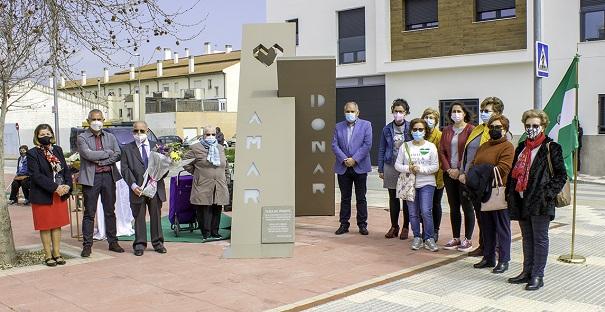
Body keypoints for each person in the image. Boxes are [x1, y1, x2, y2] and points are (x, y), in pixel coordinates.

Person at [506, 109, 567, 291]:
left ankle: (538, 275)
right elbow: (513, 173)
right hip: (522, 199)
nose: (531, 129)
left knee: (540, 239)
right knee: (527, 238)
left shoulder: (551, 147)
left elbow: (561, 175)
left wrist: (546, 194)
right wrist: (510, 194)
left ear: (543, 127)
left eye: (535, 126)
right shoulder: (522, 147)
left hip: (540, 202)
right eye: (528, 126)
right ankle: (527, 271)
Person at [459, 115, 514, 274]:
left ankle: (504, 260)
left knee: (502, 227)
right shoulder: (483, 146)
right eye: (492, 127)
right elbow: (475, 164)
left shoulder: (507, 147)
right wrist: (477, 172)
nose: (494, 130)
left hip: (498, 191)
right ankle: (489, 257)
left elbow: (503, 168)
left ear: (505, 130)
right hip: (482, 192)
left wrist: (480, 170)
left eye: (499, 127)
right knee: (487, 226)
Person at [460, 97, 505, 257]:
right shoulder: (478, 129)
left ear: (497, 113)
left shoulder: (498, 132)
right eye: (482, 111)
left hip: (487, 182)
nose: (483, 114)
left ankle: (495, 248)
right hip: (472, 179)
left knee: (492, 217)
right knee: (480, 216)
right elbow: (469, 153)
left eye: (487, 111)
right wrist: (463, 172)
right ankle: (483, 245)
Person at [77, 109, 124, 257]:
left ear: (103, 120)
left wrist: (101, 159)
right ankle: (87, 245)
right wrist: (106, 153)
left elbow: (117, 154)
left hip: (108, 177)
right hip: (91, 179)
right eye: (93, 119)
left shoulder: (110, 136)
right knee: (89, 212)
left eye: (99, 119)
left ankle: (113, 242)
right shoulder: (82, 137)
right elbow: (87, 154)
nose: (96, 122)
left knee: (110, 211)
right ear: (88, 120)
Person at [27, 125, 72, 266]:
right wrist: (55, 187)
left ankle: (57, 253)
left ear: (52, 134)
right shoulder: (32, 153)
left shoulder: (57, 150)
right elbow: (36, 176)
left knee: (56, 225)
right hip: (43, 193)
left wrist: (67, 185)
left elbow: (65, 170)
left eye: (48, 133)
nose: (45, 135)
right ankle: (48, 255)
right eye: (42, 134)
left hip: (60, 193)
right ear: (37, 136)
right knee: (45, 225)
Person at [121, 121, 167, 256]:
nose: (139, 134)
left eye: (142, 131)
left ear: (147, 131)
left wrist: (161, 174)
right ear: (132, 132)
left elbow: (165, 168)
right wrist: (133, 185)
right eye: (136, 131)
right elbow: (125, 169)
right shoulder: (127, 149)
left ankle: (158, 243)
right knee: (139, 217)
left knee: (156, 217)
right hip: (138, 189)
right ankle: (140, 244)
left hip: (154, 188)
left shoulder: (158, 147)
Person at [395, 118, 439, 251]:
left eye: (421, 129)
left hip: (427, 183)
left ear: (425, 131)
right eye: (415, 129)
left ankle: (429, 238)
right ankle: (417, 237)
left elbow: (435, 166)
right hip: (410, 185)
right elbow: (397, 165)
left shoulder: (431, 146)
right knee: (413, 213)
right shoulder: (405, 146)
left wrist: (421, 169)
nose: (418, 132)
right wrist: (409, 168)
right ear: (411, 131)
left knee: (426, 211)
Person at [439, 101, 475, 252]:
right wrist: (448, 169)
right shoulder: (446, 130)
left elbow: (471, 152)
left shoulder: (471, 130)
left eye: (459, 111)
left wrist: (459, 170)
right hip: (449, 174)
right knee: (454, 207)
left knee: (467, 206)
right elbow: (442, 151)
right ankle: (456, 237)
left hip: (464, 174)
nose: (456, 114)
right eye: (453, 111)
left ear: (464, 113)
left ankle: (468, 239)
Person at [332, 101, 372, 235]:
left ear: (357, 112)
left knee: (361, 197)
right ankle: (344, 224)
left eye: (352, 111)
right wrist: (345, 159)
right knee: (345, 197)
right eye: (347, 111)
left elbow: (367, 145)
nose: (350, 114)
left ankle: (362, 224)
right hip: (343, 167)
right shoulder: (338, 127)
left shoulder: (366, 125)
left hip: (359, 166)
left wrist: (354, 159)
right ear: (344, 112)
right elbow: (334, 145)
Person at [183, 126, 229, 240]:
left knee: (217, 207)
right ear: (203, 135)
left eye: (213, 134)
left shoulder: (220, 148)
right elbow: (185, 162)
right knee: (204, 209)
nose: (211, 136)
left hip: (219, 183)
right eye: (208, 134)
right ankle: (206, 232)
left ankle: (215, 231)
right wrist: (196, 173)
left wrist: (226, 177)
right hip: (202, 183)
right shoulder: (195, 148)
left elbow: (225, 164)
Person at [378, 99, 412, 240]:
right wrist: (380, 168)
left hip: (405, 167)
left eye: (401, 111)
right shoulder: (387, 129)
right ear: (392, 112)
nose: (398, 114)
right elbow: (381, 148)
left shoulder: (411, 127)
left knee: (405, 198)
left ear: (406, 113)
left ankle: (405, 227)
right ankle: (394, 226)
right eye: (396, 111)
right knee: (393, 197)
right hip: (390, 165)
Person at [422, 108, 444, 242]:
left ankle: (435, 230)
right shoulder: (419, 134)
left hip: (436, 176)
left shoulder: (440, 136)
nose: (428, 120)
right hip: (421, 177)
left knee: (435, 204)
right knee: (423, 206)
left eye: (431, 117)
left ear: (436, 121)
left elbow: (441, 157)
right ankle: (425, 229)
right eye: (426, 117)